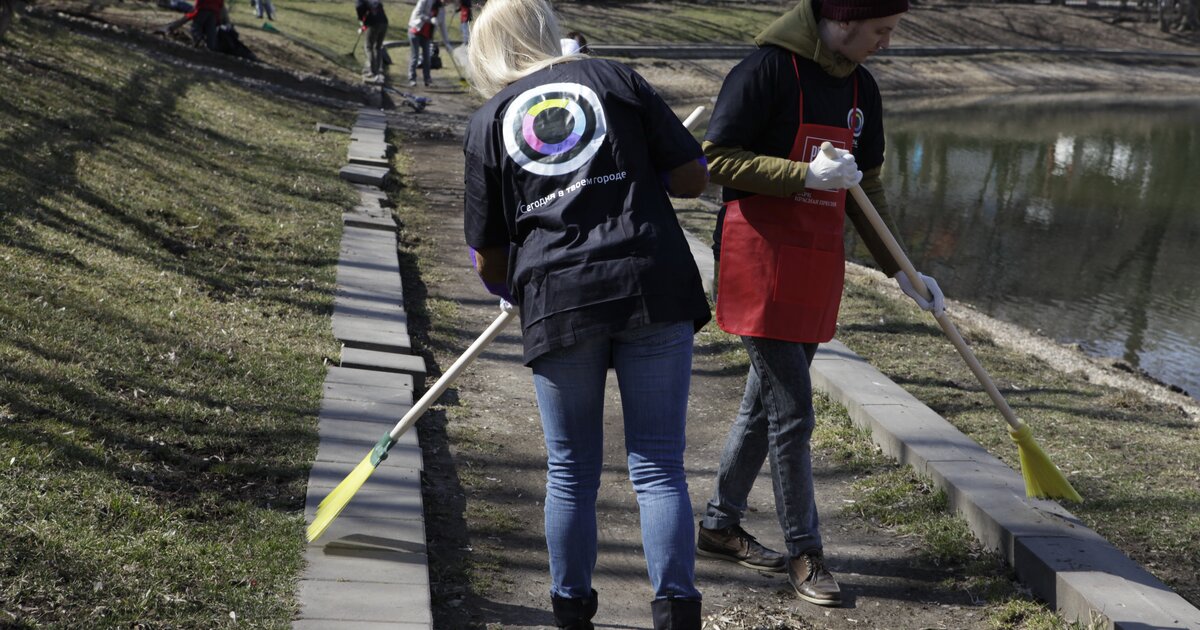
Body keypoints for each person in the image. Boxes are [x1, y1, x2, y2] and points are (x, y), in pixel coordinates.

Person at [463, 0, 711, 627]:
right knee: (658, 465)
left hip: (557, 297)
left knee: (570, 470)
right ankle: (677, 612)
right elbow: (692, 177)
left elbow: (487, 255)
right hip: (650, 283)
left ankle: (572, 612)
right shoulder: (615, 79)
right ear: (547, 31)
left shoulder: (489, 120)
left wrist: (507, 286)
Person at [696, 0, 946, 608]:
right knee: (793, 414)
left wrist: (902, 271)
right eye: (880, 31)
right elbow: (716, 159)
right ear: (841, 22)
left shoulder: (862, 88)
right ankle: (806, 551)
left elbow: (868, 185)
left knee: (764, 408)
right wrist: (803, 175)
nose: (886, 43)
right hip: (757, 261)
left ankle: (720, 524)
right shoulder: (764, 72)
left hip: (814, 262)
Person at [356, 0, 388, 83]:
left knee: (368, 47)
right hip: (384, 22)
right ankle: (377, 71)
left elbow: (359, 7)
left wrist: (360, 19)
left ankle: (372, 72)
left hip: (374, 23)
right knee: (377, 47)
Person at [407, 0, 434, 86]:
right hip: (415, 30)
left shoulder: (440, 8)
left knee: (427, 57)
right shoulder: (424, 1)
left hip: (426, 34)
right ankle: (412, 78)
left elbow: (442, 25)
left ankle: (427, 79)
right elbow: (418, 12)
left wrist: (447, 42)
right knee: (415, 55)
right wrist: (429, 19)